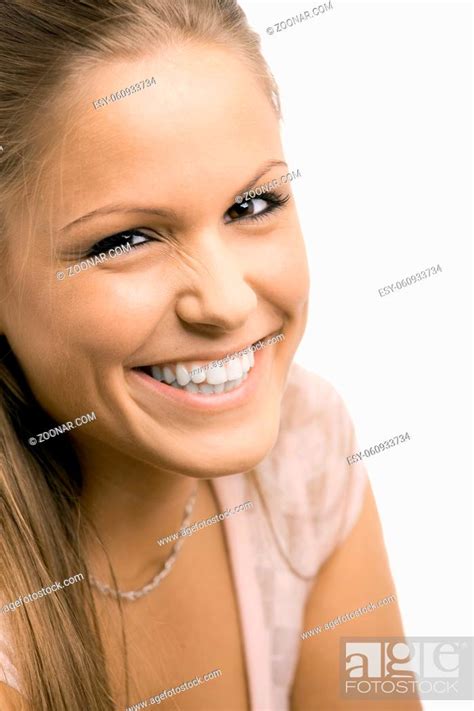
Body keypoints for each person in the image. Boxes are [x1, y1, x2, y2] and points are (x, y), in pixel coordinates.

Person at [0, 1, 420, 709]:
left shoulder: (309, 447)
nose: (225, 302)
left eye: (252, 205)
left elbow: (391, 688)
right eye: (126, 239)